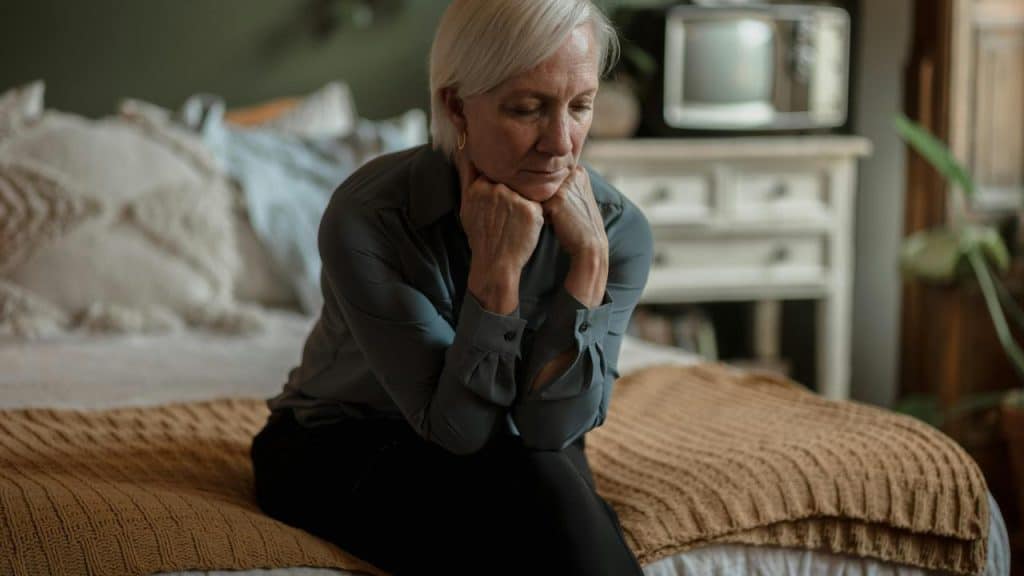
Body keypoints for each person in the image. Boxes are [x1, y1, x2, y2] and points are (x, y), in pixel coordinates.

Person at [250, 0, 653, 574]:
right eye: (528, 108)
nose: (561, 142)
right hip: (343, 441)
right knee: (542, 505)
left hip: (520, 448)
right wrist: (497, 272)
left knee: (545, 483)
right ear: (456, 107)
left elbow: (555, 428)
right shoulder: (370, 216)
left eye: (580, 106)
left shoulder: (616, 230)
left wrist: (589, 262)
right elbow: (458, 432)